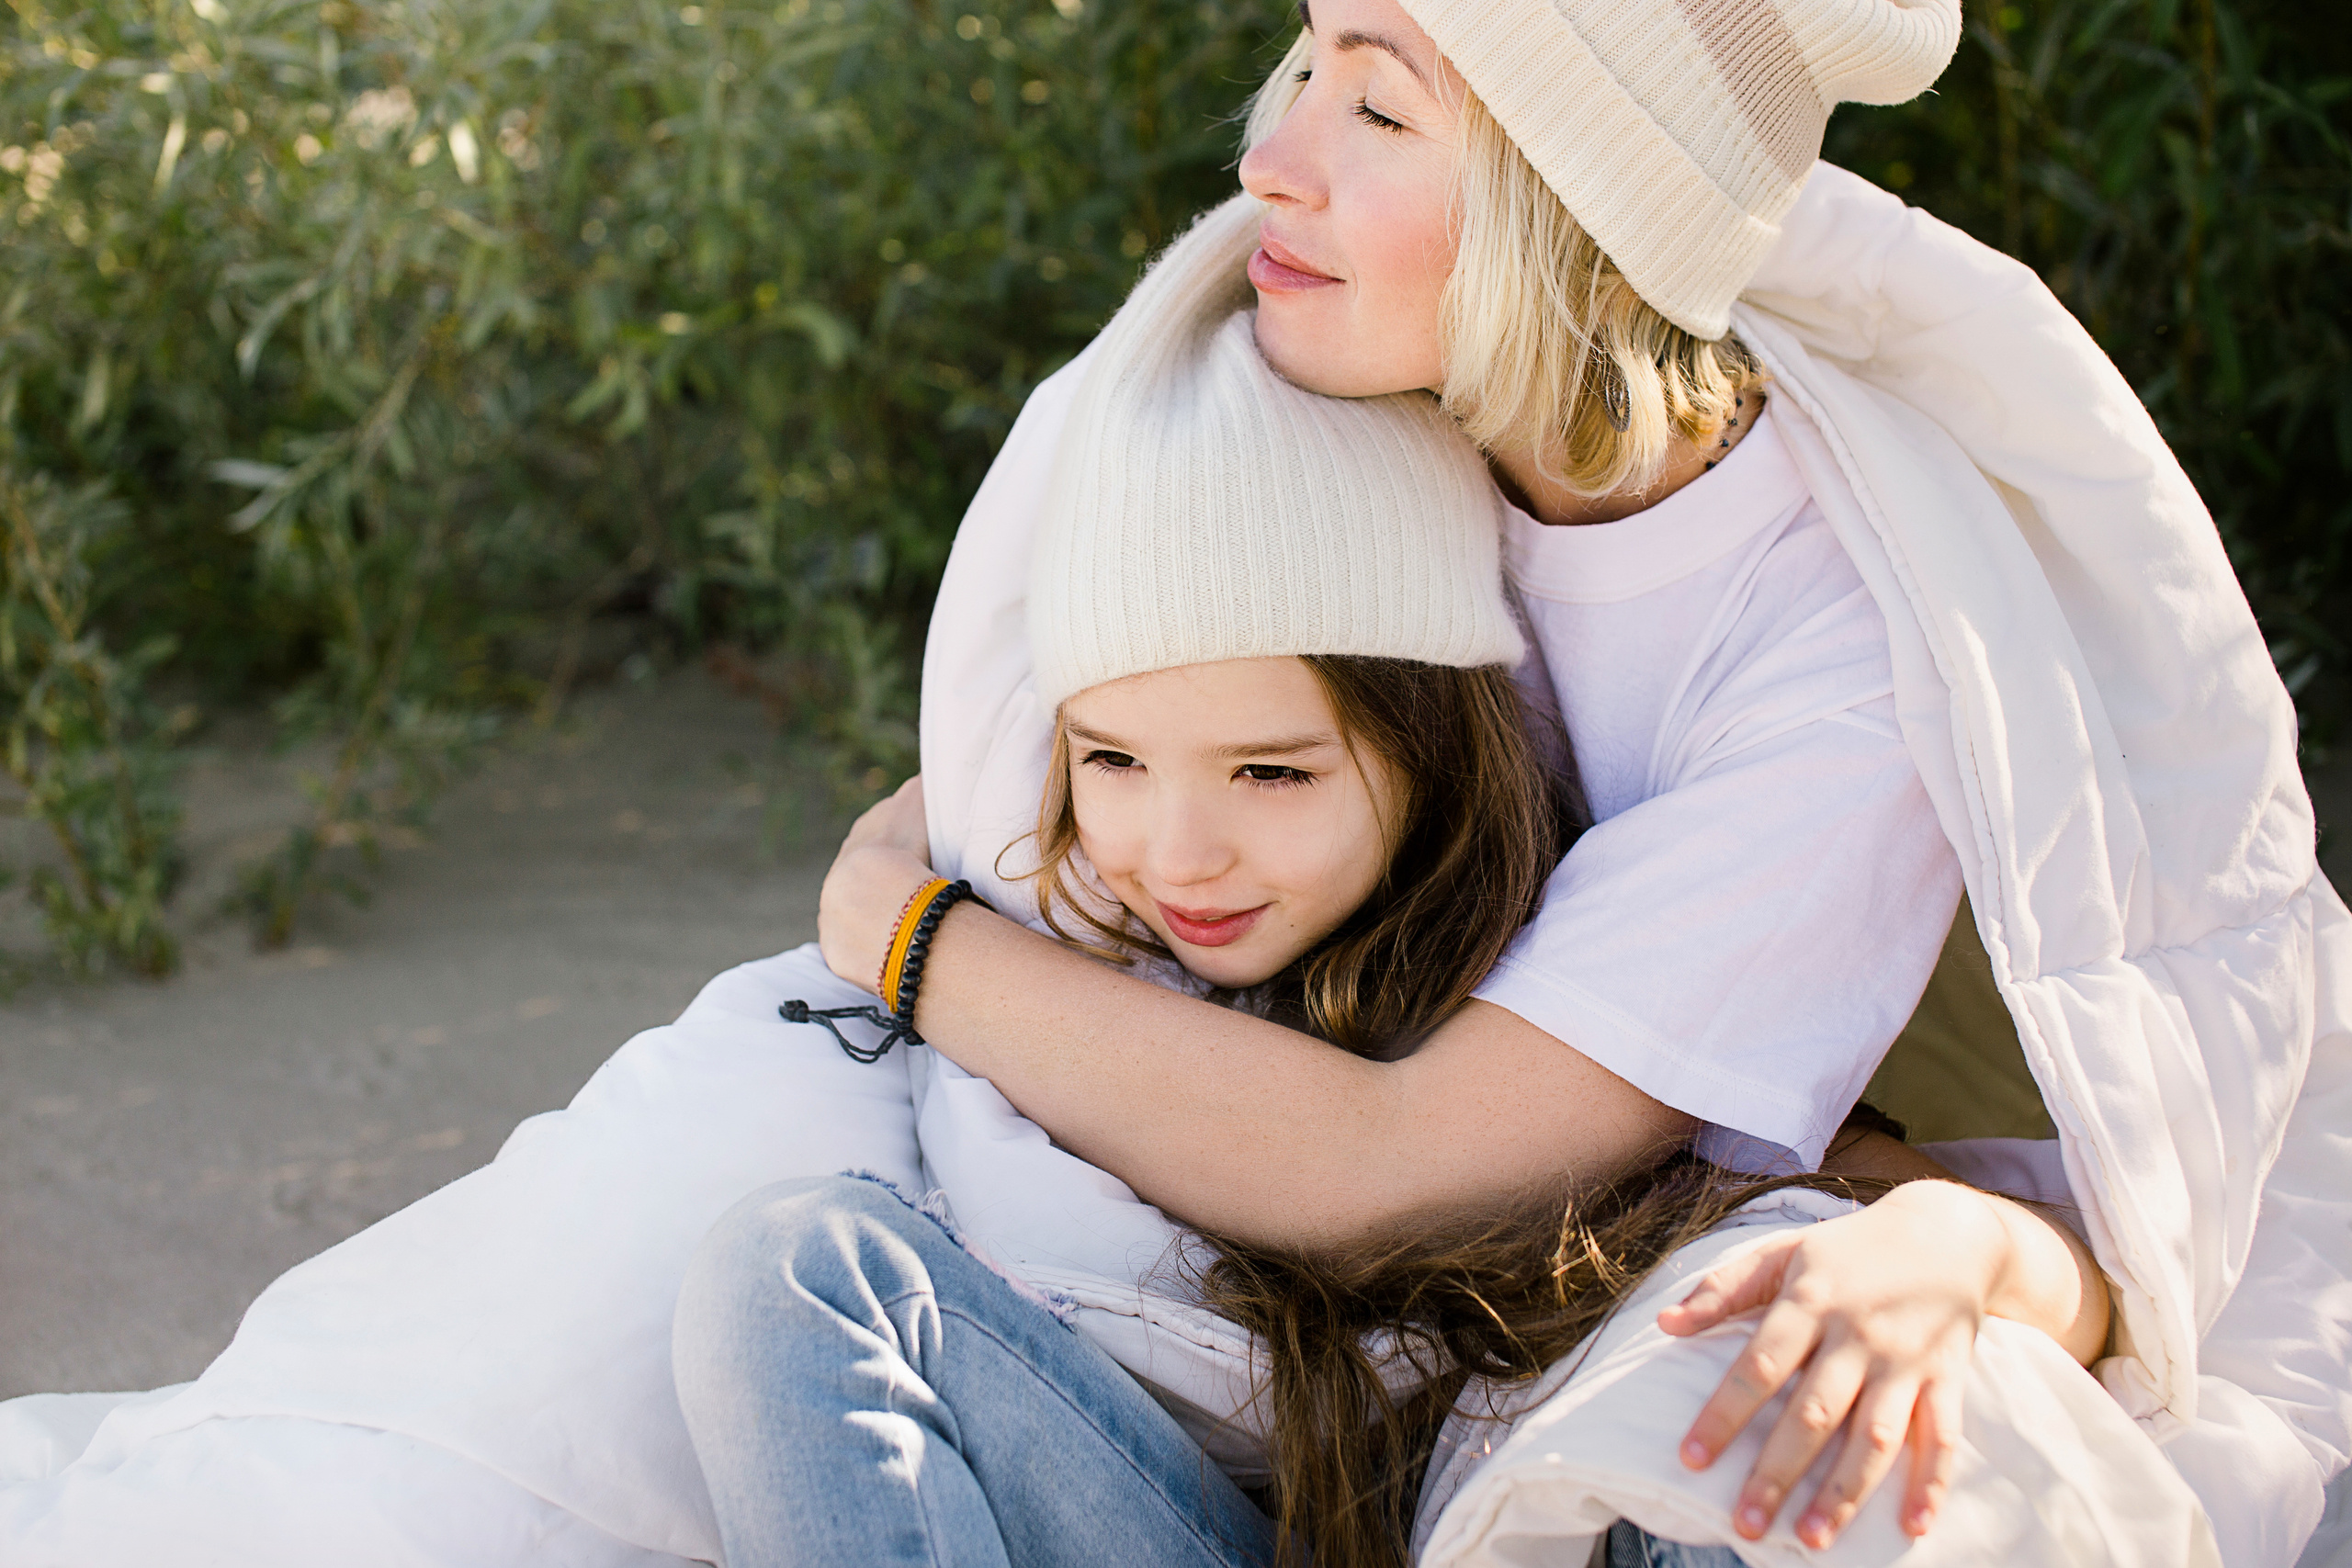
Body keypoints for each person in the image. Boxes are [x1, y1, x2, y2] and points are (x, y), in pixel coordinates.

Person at [830, 0, 2352, 1562]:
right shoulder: (1333, 408)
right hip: (1323, 1244)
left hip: (1591, 1254)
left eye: (1381, 112)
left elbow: (1396, 1169)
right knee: (766, 1251)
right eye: (1305, 72)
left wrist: (909, 931)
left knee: (1766, 1444)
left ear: (1582, 202)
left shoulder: (1841, 644)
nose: (1269, 162)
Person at [676, 292, 2112, 1568]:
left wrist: (1960, 1247)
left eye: (1275, 773)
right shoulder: (1060, 931)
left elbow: (1925, 1218)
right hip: (1156, 1499)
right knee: (793, 1262)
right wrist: (911, 909)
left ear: (1432, 745)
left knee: (1758, 1387)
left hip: (1511, 1506)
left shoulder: (1544, 986)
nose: (1179, 852)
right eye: (1111, 761)